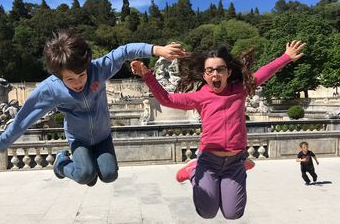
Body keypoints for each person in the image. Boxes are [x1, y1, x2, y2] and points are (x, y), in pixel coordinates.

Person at [0, 29, 185, 186]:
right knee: (85, 175)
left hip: (102, 136)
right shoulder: (50, 89)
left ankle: (90, 170)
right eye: (70, 79)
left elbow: (124, 51)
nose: (78, 82)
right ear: (58, 76)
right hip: (79, 139)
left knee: (109, 175)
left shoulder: (98, 70)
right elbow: (22, 120)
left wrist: (157, 50)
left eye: (81, 75)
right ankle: (61, 163)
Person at [131, 40, 306, 219]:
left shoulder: (241, 89)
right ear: (205, 75)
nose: (215, 74)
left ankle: (242, 166)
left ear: (228, 72)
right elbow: (167, 99)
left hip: (235, 162)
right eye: (210, 70)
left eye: (220, 69)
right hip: (208, 162)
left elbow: (264, 73)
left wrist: (285, 57)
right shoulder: (199, 97)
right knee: (207, 213)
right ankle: (193, 170)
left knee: (233, 214)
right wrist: (147, 75)